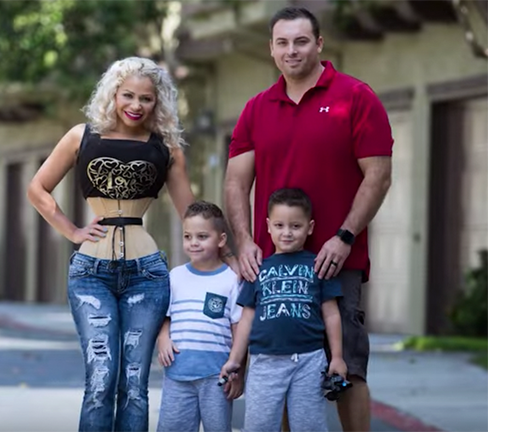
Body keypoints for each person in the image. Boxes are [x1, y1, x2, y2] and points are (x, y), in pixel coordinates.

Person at [27, 56, 234, 432]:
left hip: (147, 275)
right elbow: (37, 188)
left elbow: (192, 213)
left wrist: (228, 254)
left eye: (146, 99)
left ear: (159, 103)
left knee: (136, 383)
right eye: (128, 96)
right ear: (113, 94)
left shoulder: (167, 149)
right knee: (101, 380)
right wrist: (72, 231)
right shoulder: (81, 136)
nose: (136, 106)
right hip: (91, 273)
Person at [223, 6, 393, 432]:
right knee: (279, 368)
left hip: (336, 262)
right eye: (282, 42)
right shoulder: (257, 108)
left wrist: (344, 236)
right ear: (271, 49)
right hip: (275, 266)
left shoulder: (356, 97)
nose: (291, 51)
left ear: (319, 44)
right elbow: (235, 182)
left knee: (349, 369)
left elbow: (379, 175)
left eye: (301, 41)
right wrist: (244, 241)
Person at [220, 188, 347, 432]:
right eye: (279, 225)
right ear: (268, 226)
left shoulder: (318, 265)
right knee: (259, 426)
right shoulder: (257, 268)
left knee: (309, 426)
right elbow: (247, 317)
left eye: (295, 226)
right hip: (264, 362)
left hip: (309, 361)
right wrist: (235, 359)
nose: (287, 232)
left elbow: (331, 314)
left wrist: (338, 357)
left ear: (309, 227)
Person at [155, 200, 245, 432]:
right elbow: (164, 316)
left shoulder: (232, 279)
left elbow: (239, 326)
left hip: (217, 375)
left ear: (221, 240)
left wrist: (239, 370)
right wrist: (163, 338)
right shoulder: (174, 277)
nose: (193, 243)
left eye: (202, 237)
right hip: (178, 372)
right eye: (188, 236)